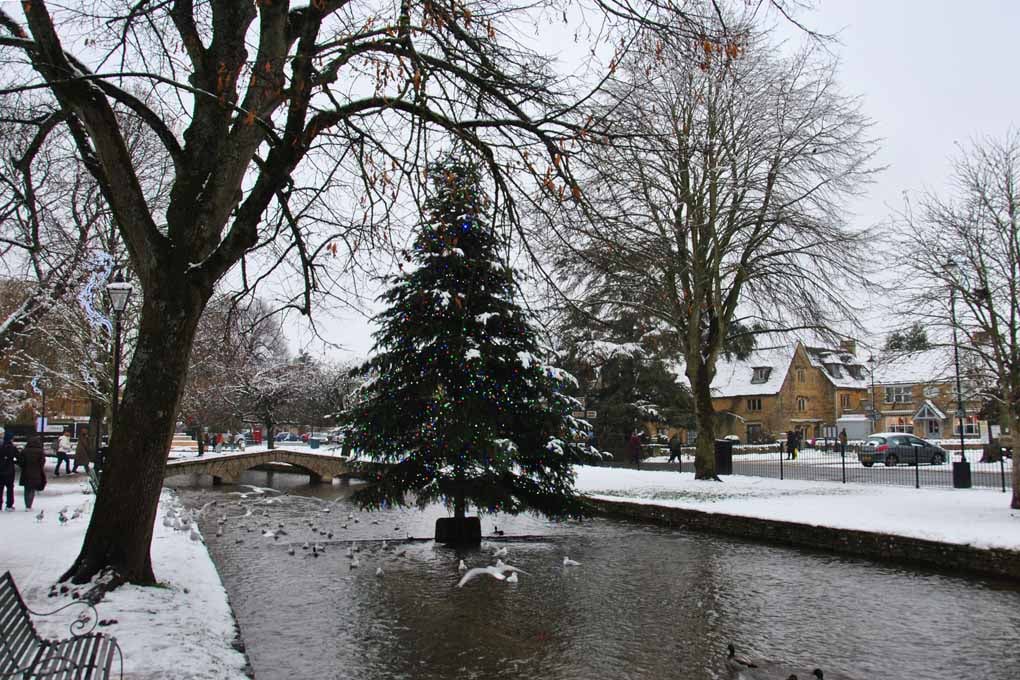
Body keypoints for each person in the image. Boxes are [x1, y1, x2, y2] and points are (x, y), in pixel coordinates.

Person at [17, 435, 46, 510]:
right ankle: (29, 505)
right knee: (32, 489)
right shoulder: (40, 451)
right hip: (36, 472)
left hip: (26, 472)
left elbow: (20, 462)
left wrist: (23, 466)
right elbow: (42, 462)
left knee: (27, 489)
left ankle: (27, 504)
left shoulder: (24, 451)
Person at [0, 431, 18, 511]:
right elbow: (19, 457)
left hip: (0, 471)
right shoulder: (12, 447)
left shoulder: (1, 447)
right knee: (10, 488)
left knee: (0, 488)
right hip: (10, 471)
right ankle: (9, 505)